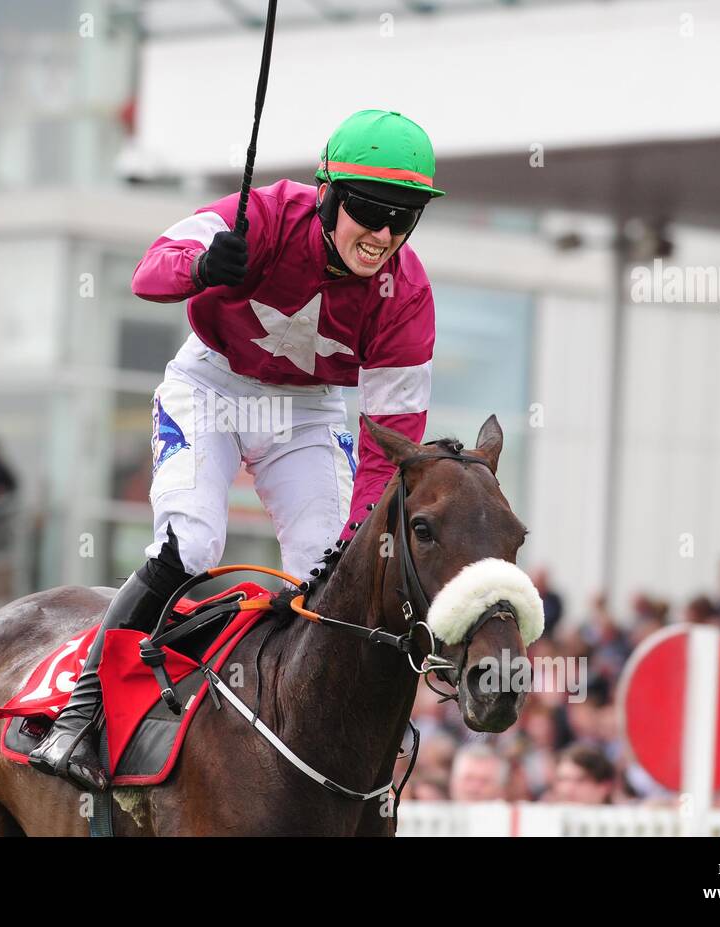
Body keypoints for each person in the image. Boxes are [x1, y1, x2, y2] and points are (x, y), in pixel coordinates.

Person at [28, 109, 445, 791]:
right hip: (212, 384)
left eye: (405, 218)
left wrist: (356, 534)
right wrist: (201, 266)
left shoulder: (408, 295)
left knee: (333, 570)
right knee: (193, 544)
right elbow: (148, 271)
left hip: (306, 411)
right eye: (370, 212)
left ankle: (333, 739)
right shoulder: (268, 214)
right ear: (329, 194)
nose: (385, 235)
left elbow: (389, 444)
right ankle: (81, 711)